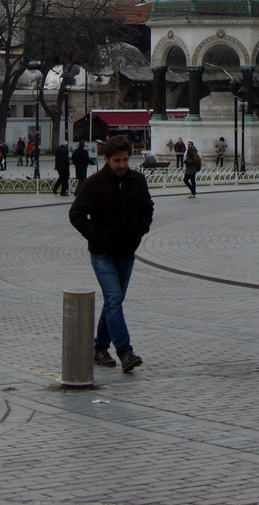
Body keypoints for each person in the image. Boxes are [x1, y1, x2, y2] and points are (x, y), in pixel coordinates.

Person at [68, 136, 153, 373]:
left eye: (125, 160)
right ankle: (125, 352)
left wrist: (140, 231)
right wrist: (96, 237)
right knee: (114, 299)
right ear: (106, 159)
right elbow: (76, 214)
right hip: (103, 254)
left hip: (127, 252)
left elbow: (148, 208)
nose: (122, 165)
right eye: (117, 160)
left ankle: (99, 348)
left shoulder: (137, 180)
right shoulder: (94, 184)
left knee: (113, 301)